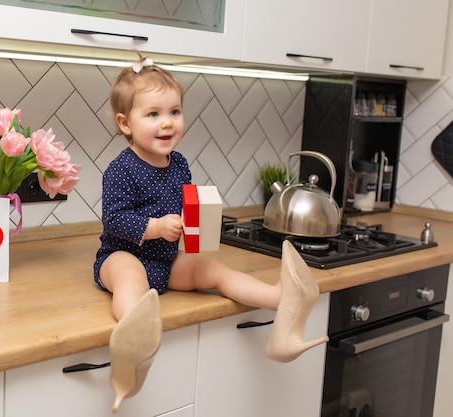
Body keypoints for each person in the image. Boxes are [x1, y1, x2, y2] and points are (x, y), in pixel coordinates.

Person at [93, 56, 328, 413]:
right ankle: (134, 340)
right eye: (153, 114)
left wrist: (197, 224)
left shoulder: (181, 164)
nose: (167, 122)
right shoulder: (120, 169)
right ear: (125, 124)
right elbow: (113, 220)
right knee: (130, 278)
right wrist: (156, 227)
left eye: (174, 111)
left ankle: (280, 298)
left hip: (166, 262)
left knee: (212, 270)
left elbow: (186, 208)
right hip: (121, 255)